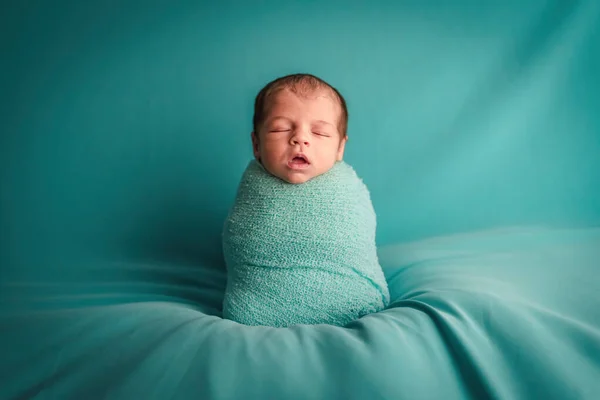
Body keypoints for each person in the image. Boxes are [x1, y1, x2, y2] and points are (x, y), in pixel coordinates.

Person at [250, 73, 348, 183]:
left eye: (319, 132)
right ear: (256, 145)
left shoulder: (351, 193)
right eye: (281, 129)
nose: (300, 138)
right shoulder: (250, 192)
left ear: (340, 148)